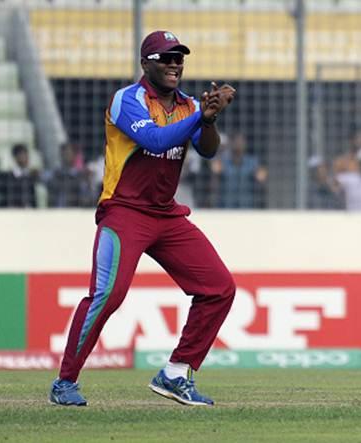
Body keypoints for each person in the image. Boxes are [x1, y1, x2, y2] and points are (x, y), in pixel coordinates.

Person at [49, 30, 237, 407]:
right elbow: (155, 141)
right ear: (145, 64)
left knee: (219, 287)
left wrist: (210, 120)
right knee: (109, 295)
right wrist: (201, 114)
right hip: (124, 211)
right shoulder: (127, 100)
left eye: (179, 58)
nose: (174, 64)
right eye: (165, 58)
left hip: (166, 214)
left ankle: (176, 373)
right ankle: (64, 382)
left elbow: (208, 151)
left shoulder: (186, 104)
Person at [219, 132, 268, 208]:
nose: (239, 144)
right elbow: (216, 171)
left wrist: (261, 173)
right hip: (226, 206)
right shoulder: (223, 160)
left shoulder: (252, 161)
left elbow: (261, 177)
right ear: (231, 143)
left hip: (246, 206)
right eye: (236, 141)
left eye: (241, 141)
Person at [45, 142, 95, 207]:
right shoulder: (55, 173)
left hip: (73, 211)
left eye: (68, 153)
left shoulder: (80, 175)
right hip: (55, 210)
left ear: (74, 155)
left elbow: (87, 196)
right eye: (64, 153)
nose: (66, 156)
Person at [0, 144, 39, 208]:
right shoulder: (6, 177)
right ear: (15, 157)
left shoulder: (31, 175)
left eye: (26, 155)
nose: (25, 158)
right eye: (22, 155)